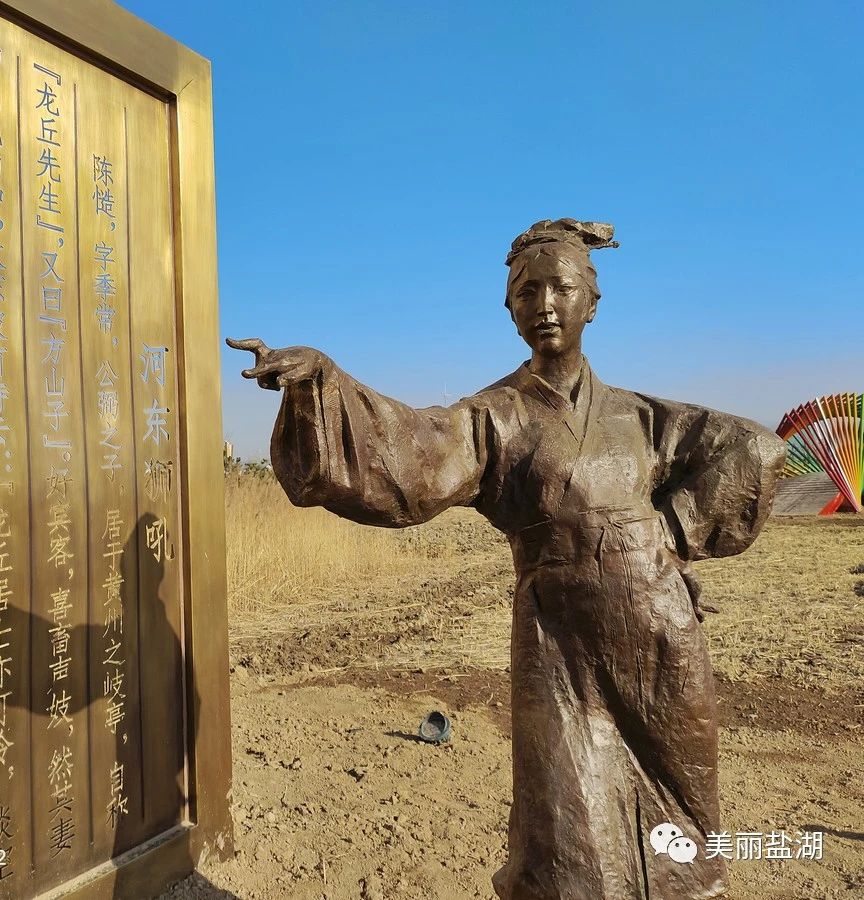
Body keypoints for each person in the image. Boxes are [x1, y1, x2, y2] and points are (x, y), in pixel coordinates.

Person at [228, 218, 787, 900]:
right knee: (566, 833)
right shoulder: (493, 417)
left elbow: (755, 448)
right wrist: (322, 383)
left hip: (659, 636)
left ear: (592, 302)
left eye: (561, 288)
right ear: (509, 308)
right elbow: (411, 457)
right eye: (527, 292)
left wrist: (668, 531)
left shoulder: (641, 417)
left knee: (683, 823)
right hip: (559, 647)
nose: (544, 304)